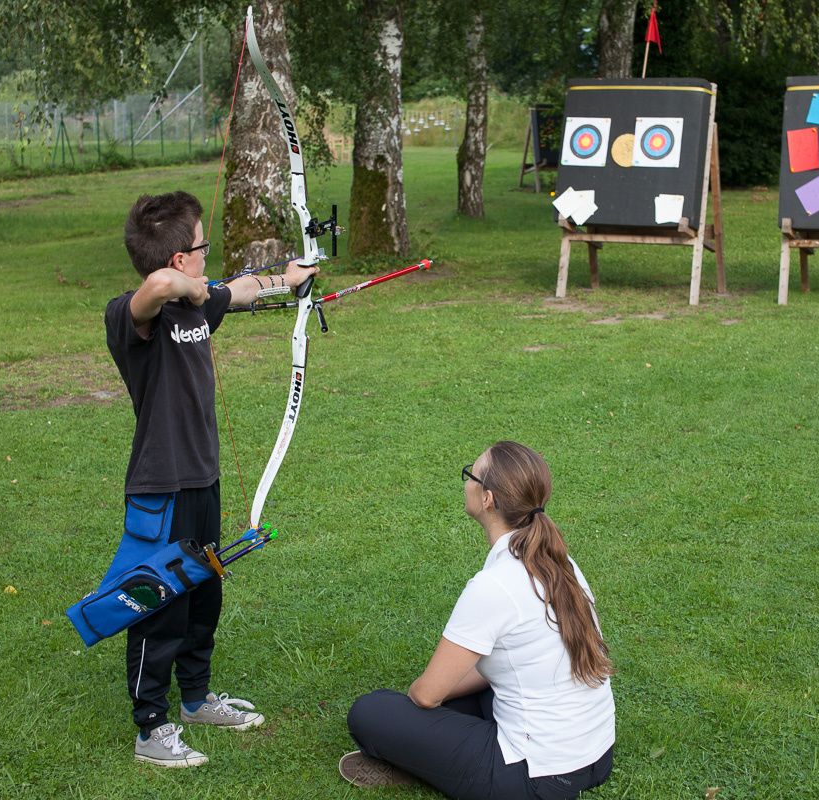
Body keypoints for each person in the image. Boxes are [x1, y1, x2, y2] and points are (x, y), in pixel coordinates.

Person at [107, 191, 318, 767]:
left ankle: (196, 699)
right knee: (160, 603)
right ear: (179, 260)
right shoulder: (132, 318)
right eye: (203, 246)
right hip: (160, 488)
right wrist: (193, 289)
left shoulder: (195, 307)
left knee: (204, 593)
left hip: (202, 479)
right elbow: (156, 287)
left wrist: (285, 279)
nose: (209, 254)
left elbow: (240, 289)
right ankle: (151, 728)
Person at [340, 441, 615, 800]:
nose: (466, 481)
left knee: (372, 712)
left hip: (536, 779)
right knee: (455, 700)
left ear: (487, 499)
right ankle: (429, 756)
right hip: (596, 756)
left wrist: (424, 699)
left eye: (471, 474)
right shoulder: (560, 562)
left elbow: (425, 695)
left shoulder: (494, 586)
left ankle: (423, 765)